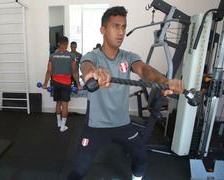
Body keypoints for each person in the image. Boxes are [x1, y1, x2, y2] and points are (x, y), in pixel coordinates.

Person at [67, 6, 184, 180]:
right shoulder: (93, 56)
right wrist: (93, 73)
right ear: (103, 29)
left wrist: (164, 81)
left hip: (122, 124)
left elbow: (144, 70)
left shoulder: (128, 57)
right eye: (116, 26)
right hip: (96, 126)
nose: (121, 32)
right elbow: (86, 66)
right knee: (79, 170)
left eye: (123, 27)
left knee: (142, 159)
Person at [43, 36, 82, 132]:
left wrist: (45, 83)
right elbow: (75, 72)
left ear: (58, 44)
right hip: (66, 83)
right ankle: (63, 126)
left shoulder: (52, 56)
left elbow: (49, 71)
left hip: (55, 83)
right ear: (67, 44)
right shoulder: (71, 56)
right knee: (65, 105)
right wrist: (78, 84)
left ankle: (58, 122)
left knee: (58, 103)